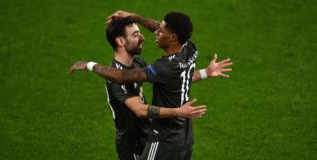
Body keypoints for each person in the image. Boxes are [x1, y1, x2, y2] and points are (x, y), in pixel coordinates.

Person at [70, 11, 232, 160]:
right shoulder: (189, 48)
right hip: (135, 144)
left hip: (158, 136)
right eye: (136, 34)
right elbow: (138, 103)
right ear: (120, 41)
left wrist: (89, 64)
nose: (146, 36)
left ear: (173, 38)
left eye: (160, 31)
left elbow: (130, 77)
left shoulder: (151, 65)